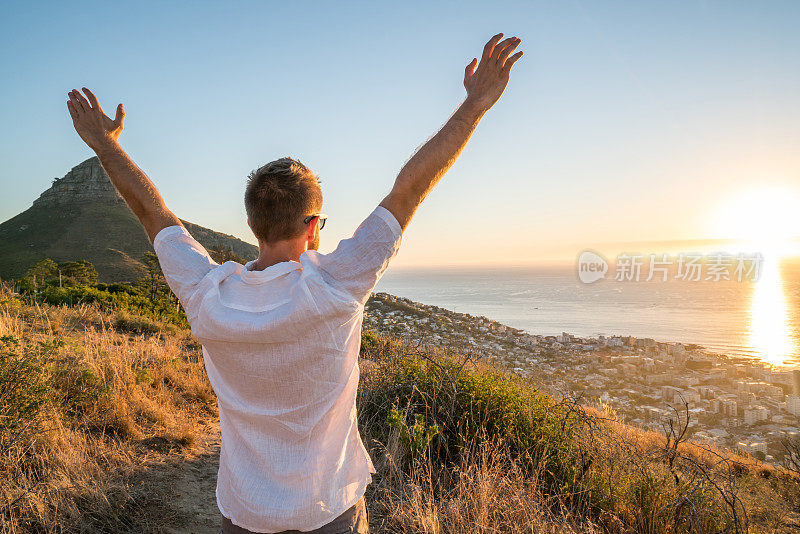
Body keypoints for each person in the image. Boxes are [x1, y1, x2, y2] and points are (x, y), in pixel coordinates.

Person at [66, 32, 522, 534]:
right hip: (328, 509)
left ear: (253, 225)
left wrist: (105, 145)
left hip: (246, 512)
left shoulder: (207, 294)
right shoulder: (336, 284)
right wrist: (476, 104)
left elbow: (153, 214)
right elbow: (409, 188)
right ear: (312, 228)